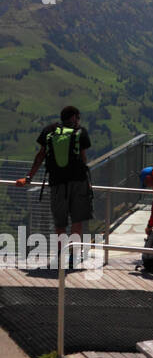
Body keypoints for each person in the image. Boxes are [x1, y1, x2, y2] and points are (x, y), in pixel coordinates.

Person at [16, 105, 92, 267]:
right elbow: (83, 158)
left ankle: (60, 254)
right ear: (74, 117)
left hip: (56, 183)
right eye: (77, 118)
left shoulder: (49, 131)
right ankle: (74, 256)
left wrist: (29, 177)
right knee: (77, 220)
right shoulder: (80, 132)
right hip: (78, 182)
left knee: (60, 222)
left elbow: (40, 156)